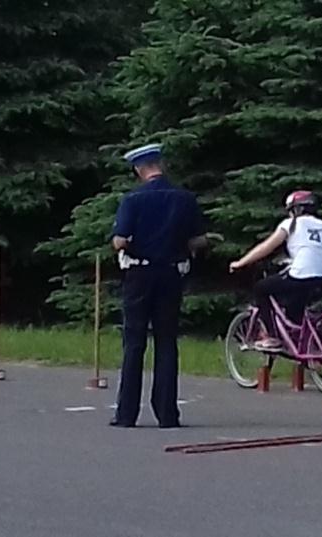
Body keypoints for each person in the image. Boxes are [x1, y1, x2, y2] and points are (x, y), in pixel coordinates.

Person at [110, 143, 209, 429]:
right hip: (171, 274)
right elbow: (198, 240)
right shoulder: (185, 198)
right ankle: (167, 414)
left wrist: (121, 243)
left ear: (139, 170)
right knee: (166, 341)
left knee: (134, 342)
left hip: (139, 275)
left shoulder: (133, 199)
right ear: (161, 165)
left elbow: (121, 239)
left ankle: (126, 414)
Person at [229, 191, 322, 349]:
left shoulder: (290, 224)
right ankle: (315, 345)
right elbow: (313, 249)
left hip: (302, 273)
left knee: (261, 288)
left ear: (296, 209)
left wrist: (241, 262)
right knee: (295, 307)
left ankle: (272, 337)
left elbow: (266, 247)